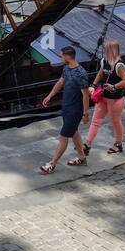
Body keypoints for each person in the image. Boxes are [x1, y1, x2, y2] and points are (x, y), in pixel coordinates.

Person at [39, 46, 89, 174]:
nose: (60, 58)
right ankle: (82, 158)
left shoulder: (81, 73)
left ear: (67, 56)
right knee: (74, 132)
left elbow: (85, 95)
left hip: (75, 110)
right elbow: (60, 83)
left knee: (63, 136)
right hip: (66, 106)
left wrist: (85, 113)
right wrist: (50, 96)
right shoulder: (66, 68)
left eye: (61, 56)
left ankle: (52, 164)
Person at [85, 39, 125, 154]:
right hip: (103, 96)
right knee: (96, 120)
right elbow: (100, 73)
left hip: (115, 99)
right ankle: (87, 144)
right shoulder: (104, 61)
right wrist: (93, 85)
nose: (104, 50)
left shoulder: (119, 65)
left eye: (106, 49)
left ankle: (118, 144)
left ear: (112, 50)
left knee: (115, 121)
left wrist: (114, 86)